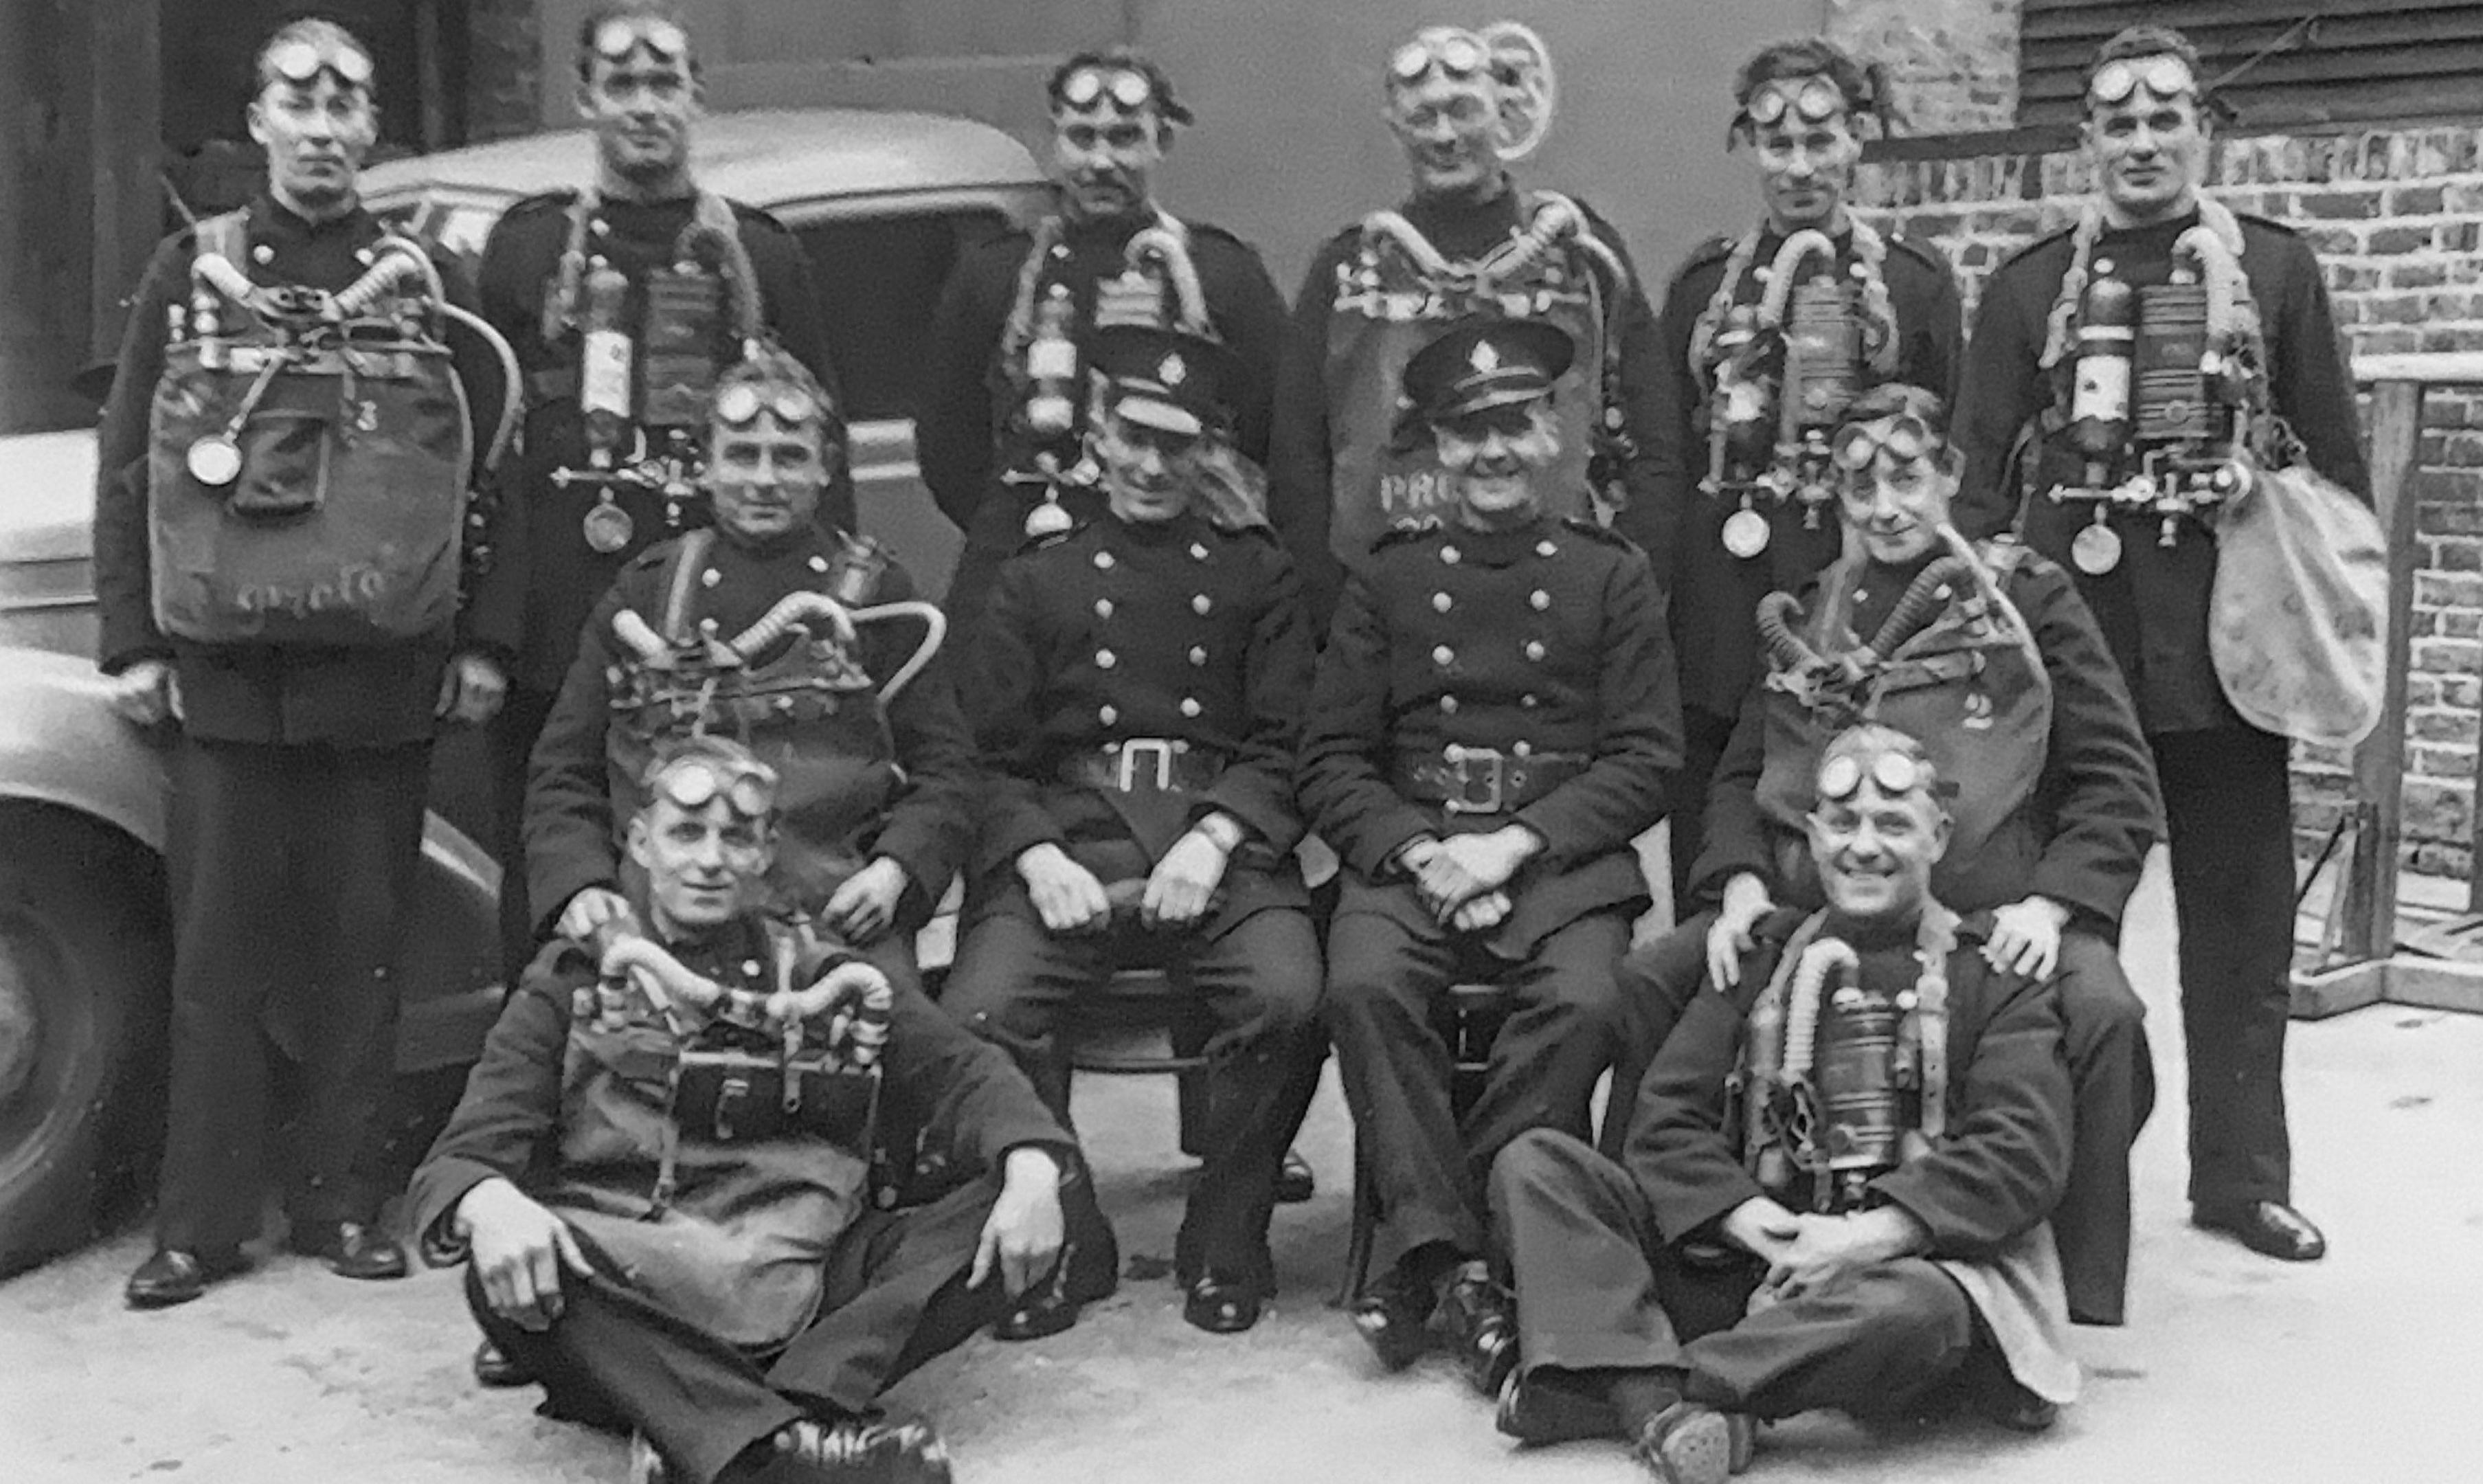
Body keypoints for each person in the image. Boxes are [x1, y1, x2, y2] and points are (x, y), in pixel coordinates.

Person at [94, 18, 518, 1307]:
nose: (324, 126)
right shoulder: (193, 267)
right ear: (259, 121)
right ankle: (200, 1223)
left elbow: (492, 471)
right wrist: (131, 639)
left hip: (380, 677)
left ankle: (344, 1200)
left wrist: (485, 638)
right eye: (300, 99)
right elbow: (132, 463)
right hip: (225, 681)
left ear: (373, 128)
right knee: (217, 959)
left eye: (347, 103)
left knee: (360, 945)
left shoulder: (429, 276)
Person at [1606, 385, 2160, 1327]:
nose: (1886, 508)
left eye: (1908, 479)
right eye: (1860, 488)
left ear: (1948, 476)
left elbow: (2117, 778)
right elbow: (1742, 773)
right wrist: (1738, 886)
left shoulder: (2026, 597)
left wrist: (2052, 909)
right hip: (1816, 900)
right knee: (1657, 975)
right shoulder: (1818, 610)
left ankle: (2071, 1284)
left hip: (1992, 918)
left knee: (2102, 1007)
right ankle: (1656, 1243)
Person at [1952, 25, 2369, 1263]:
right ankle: (2050, 1172)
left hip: (2228, 652)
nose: (2142, 141)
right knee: (2060, 920)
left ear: (2204, 131)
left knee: (2241, 927)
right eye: (2117, 122)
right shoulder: (2031, 287)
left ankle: (2242, 1178)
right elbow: (1975, 484)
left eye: (2166, 117)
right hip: (2078, 657)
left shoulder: (2278, 274)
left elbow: (2335, 475)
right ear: (2086, 138)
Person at [407, 737, 1073, 1484]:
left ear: (765, 853)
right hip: (638, 1290)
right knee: (505, 1266)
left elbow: (967, 1074)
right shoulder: (573, 981)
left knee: (1021, 1201)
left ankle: (728, 1426)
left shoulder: (826, 972)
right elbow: (463, 1154)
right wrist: (493, 1205)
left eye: (736, 837)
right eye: (686, 834)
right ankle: (783, 1454)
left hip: (809, 1282)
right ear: (640, 844)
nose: (710, 859)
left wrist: (1031, 1171)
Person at [1487, 726, 2079, 1484]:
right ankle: (1679, 1405)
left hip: (1893, 1271)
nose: (1864, 847)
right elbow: (1664, 1125)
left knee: (1922, 1312)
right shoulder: (1759, 954)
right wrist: (1751, 1224)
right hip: (1750, 1259)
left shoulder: (1993, 972)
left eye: (1893, 825)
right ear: (1813, 835)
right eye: (1844, 824)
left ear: (1938, 838)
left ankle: (1628, 1382)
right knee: (1535, 1165)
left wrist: (1861, 1238)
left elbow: (2020, 1155)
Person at [1300, 318, 1681, 1384]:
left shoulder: (1613, 577)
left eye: (1515, 424)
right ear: (1436, 450)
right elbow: (1330, 756)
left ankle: (1430, 1253)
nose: (1496, 452)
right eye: (1470, 434)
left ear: (1554, 433)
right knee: (1366, 986)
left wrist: (1515, 845)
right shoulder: (1388, 581)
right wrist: (1423, 855)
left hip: (1556, 862)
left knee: (1590, 1004)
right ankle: (1467, 1265)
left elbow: (1650, 756)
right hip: (1414, 851)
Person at [942, 324, 1324, 1338]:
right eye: (1134, 437)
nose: (1153, 466)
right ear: (1099, 437)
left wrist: (1216, 838)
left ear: (1208, 452)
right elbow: (983, 755)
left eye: (1179, 444)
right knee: (982, 1010)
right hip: (1074, 837)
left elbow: (1290, 739)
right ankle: (1068, 1233)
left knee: (1289, 997)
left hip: (1218, 844)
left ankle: (1225, 1233)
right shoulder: (1038, 575)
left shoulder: (1256, 573)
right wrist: (1034, 855)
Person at [476, 0, 844, 973]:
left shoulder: (757, 256)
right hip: (564, 628)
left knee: (720, 872)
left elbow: (818, 440)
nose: (645, 106)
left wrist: (827, 611)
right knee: (559, 886)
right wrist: (488, 636)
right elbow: (490, 461)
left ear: (696, 97)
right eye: (623, 85)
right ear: (586, 97)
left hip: (722, 635)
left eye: (665, 84)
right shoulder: (528, 251)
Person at [526, 344, 975, 1025]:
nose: (764, 480)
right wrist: (580, 886)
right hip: (661, 919)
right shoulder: (645, 594)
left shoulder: (879, 597)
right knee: (544, 1050)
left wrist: (896, 872)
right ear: (705, 466)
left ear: (826, 468)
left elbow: (945, 770)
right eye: (742, 455)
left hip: (830, 919)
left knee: (919, 1058)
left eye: (789, 457)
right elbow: (564, 769)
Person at [1659, 38, 1963, 900]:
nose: (1799, 166)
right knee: (1713, 853)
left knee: (1856, 827)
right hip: (1724, 607)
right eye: (1777, 144)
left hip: (1860, 602)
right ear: (1748, 148)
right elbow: (1667, 461)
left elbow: (1949, 465)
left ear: (1857, 140)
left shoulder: (1913, 286)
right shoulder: (1702, 289)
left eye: (1820, 140)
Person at [1268, 21, 1686, 633]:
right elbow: (1297, 457)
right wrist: (1337, 615)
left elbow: (1654, 437)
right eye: (1423, 116)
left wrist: (1629, 592)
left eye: (1463, 111)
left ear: (1505, 112)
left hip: (1564, 610)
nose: (1444, 135)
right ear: (1393, 122)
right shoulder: (1348, 270)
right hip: (1387, 615)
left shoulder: (1581, 256)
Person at [919, 46, 1290, 642]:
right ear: (1053, 142)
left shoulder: (1221, 275)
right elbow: (947, 441)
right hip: (1024, 551)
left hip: (1176, 560)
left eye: (1123, 138)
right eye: (1082, 137)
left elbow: (1276, 424)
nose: (1100, 160)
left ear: (1160, 143)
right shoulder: (996, 277)